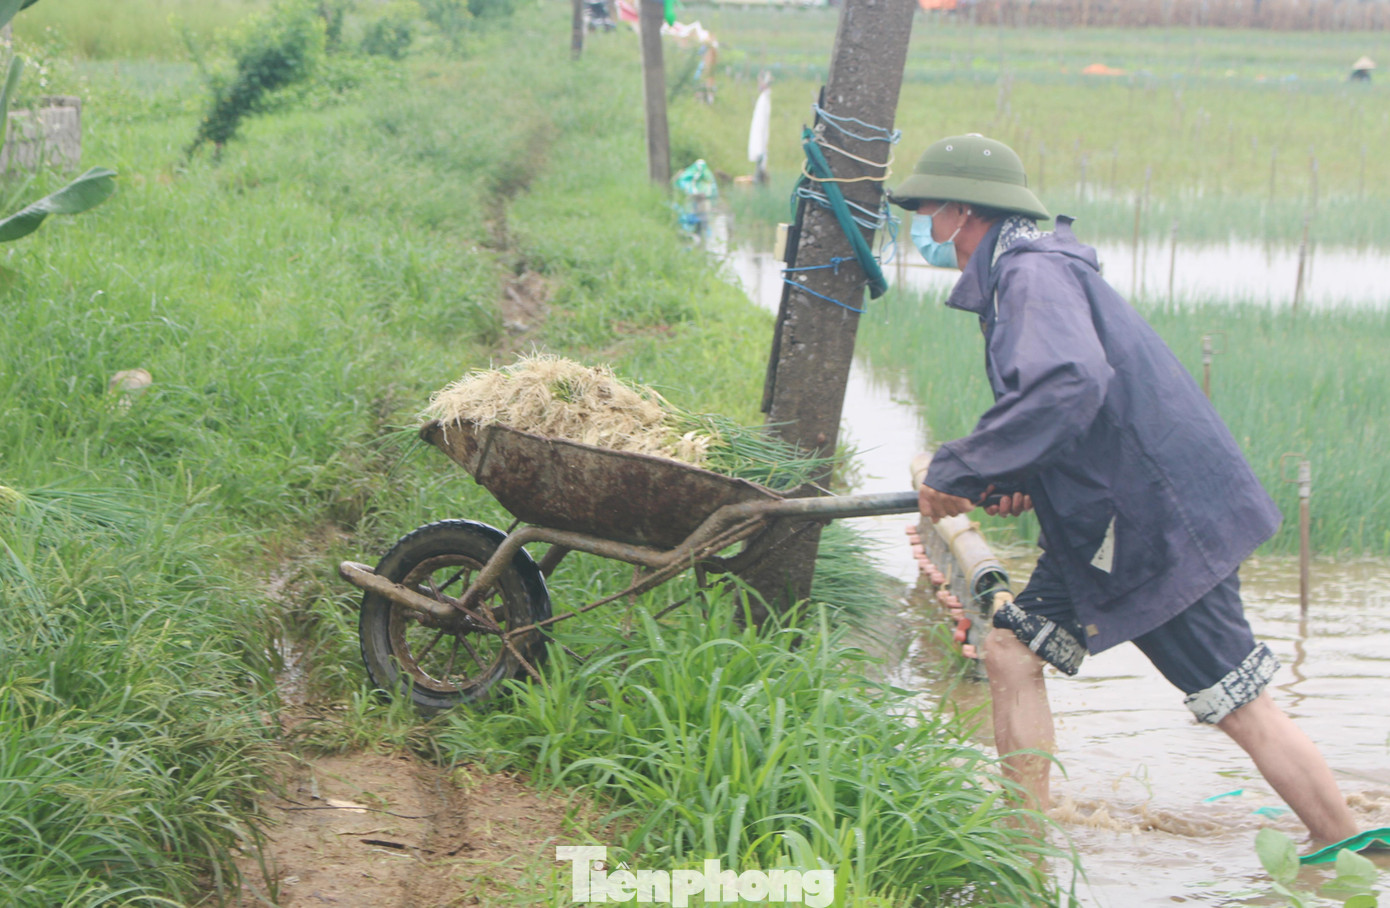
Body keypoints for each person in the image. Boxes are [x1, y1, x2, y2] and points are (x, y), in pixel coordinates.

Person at [890, 133, 1359, 846]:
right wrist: (1014, 474)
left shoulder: (1028, 276)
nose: (924, 230)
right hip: (1107, 521)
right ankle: (1025, 838)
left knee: (1239, 703)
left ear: (963, 211)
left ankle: (1348, 845)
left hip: (1150, 526)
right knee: (1011, 653)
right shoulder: (1027, 269)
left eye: (928, 212)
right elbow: (1074, 410)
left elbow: (1070, 382)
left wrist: (958, 468)